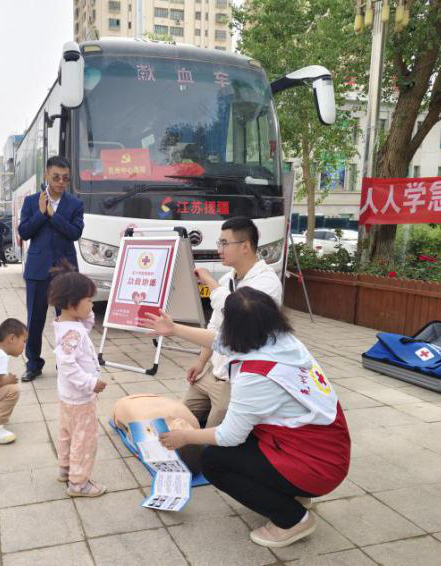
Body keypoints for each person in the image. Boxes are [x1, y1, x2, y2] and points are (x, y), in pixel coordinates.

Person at [143, 287, 350, 549]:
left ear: (235, 328)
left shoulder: (256, 375)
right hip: (325, 450)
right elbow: (220, 342)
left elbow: (229, 436)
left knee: (215, 461)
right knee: (241, 442)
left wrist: (185, 436)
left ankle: (293, 519)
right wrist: (173, 329)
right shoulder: (281, 341)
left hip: (317, 466)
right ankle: (296, 494)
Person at [185, 216, 283, 429]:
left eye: (224, 243)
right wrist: (201, 363)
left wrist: (209, 282)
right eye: (219, 243)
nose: (219, 249)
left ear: (245, 246)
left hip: (239, 381)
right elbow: (214, 327)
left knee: (212, 437)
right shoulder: (226, 280)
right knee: (179, 418)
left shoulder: (266, 283)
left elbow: (236, 313)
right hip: (214, 373)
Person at [18, 155, 84, 382]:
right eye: (56, 177)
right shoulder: (31, 202)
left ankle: (66, 363)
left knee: (67, 320)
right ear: (46, 175)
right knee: (35, 320)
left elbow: (75, 233)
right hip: (38, 270)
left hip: (65, 271)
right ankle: (33, 364)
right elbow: (24, 232)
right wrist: (40, 213)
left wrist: (53, 216)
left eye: (65, 178)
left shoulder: (75, 204)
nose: (61, 182)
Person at [50, 266, 107, 497]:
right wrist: (90, 383)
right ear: (73, 304)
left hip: (68, 397)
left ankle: (65, 470)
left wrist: (86, 311)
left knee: (67, 434)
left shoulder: (67, 325)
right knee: (84, 440)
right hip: (81, 398)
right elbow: (67, 365)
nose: (92, 305)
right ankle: (79, 484)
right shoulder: (73, 333)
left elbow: (86, 325)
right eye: (89, 300)